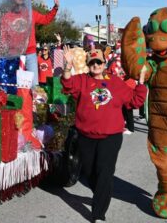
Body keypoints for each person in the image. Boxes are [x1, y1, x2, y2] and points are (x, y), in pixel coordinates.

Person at [61, 45, 147, 223]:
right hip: (86, 135)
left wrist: (141, 82)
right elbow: (67, 84)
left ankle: (98, 214)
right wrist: (68, 66)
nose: (96, 65)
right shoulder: (82, 80)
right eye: (92, 62)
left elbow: (135, 101)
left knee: (105, 173)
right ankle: (101, 193)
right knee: (90, 172)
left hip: (111, 136)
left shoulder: (115, 82)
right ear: (88, 64)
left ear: (104, 62)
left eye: (99, 62)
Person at [25, 0, 59, 87]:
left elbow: (46, 19)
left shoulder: (31, 14)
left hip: (30, 52)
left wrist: (55, 8)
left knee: (33, 86)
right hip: (15, 53)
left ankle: (35, 100)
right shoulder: (9, 15)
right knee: (15, 84)